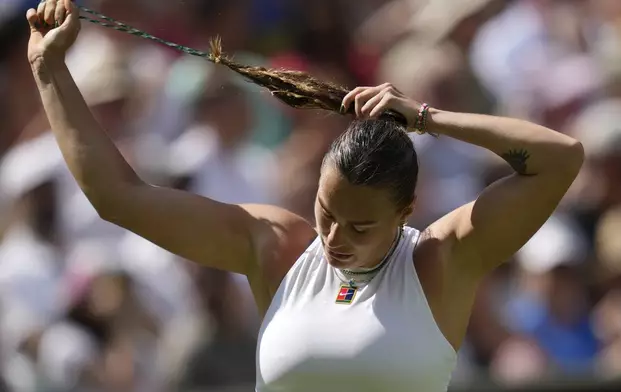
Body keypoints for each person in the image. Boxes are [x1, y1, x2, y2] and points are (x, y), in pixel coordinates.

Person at [25, 1, 585, 391]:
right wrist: (48, 69)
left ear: (405, 213)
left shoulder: (443, 259)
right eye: (326, 212)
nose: (333, 237)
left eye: (361, 227)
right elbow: (118, 198)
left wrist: (425, 117)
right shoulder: (276, 247)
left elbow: (559, 159)